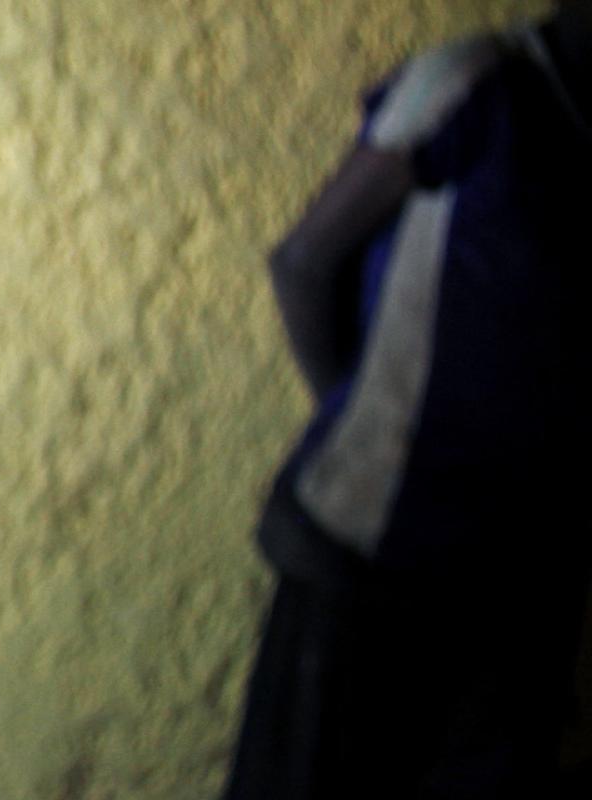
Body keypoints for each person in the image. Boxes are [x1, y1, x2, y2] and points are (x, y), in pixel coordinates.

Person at [233, 5, 592, 798]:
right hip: (372, 553)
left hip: (518, 590)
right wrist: (361, 423)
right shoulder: (477, 83)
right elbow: (303, 262)